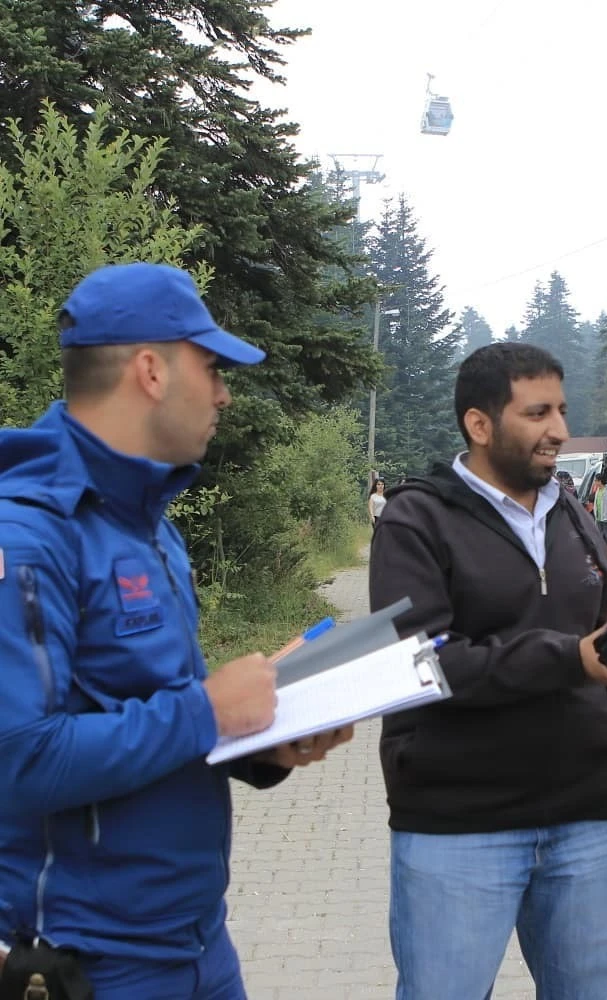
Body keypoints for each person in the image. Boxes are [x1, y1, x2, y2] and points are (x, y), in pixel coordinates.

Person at [0, 262, 352, 1000]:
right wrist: (210, 711)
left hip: (196, 942)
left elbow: (148, 708)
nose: (224, 393)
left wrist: (260, 742)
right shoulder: (28, 535)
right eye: (213, 368)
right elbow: (19, 759)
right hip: (89, 966)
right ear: (152, 371)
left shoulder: (150, 522)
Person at [369, 342, 607, 1000]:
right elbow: (423, 662)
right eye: (537, 413)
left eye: (562, 411)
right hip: (457, 824)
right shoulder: (415, 519)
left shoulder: (571, 514)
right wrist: (569, 658)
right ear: (479, 424)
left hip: (586, 819)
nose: (560, 430)